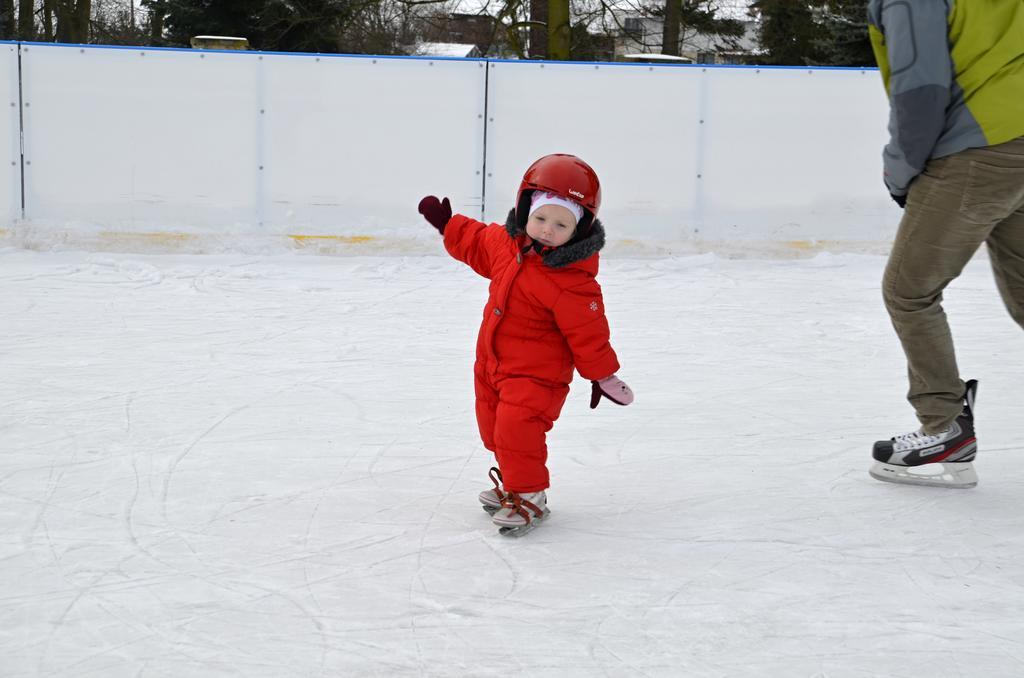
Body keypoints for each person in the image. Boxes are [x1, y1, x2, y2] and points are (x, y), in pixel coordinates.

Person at [417, 153, 634, 534]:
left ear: (581, 229)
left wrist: (603, 375)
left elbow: (590, 332)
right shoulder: (508, 245)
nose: (548, 229)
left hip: (537, 376)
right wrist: (448, 225)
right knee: (493, 427)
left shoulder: (573, 281)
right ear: (524, 209)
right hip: (493, 364)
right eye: (541, 218)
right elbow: (478, 241)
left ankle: (529, 495)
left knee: (517, 428)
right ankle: (514, 485)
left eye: (562, 223)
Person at [867, 0, 1024, 488]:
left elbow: (922, 88)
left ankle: (944, 426)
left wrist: (900, 167)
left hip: (978, 148)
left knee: (909, 291)